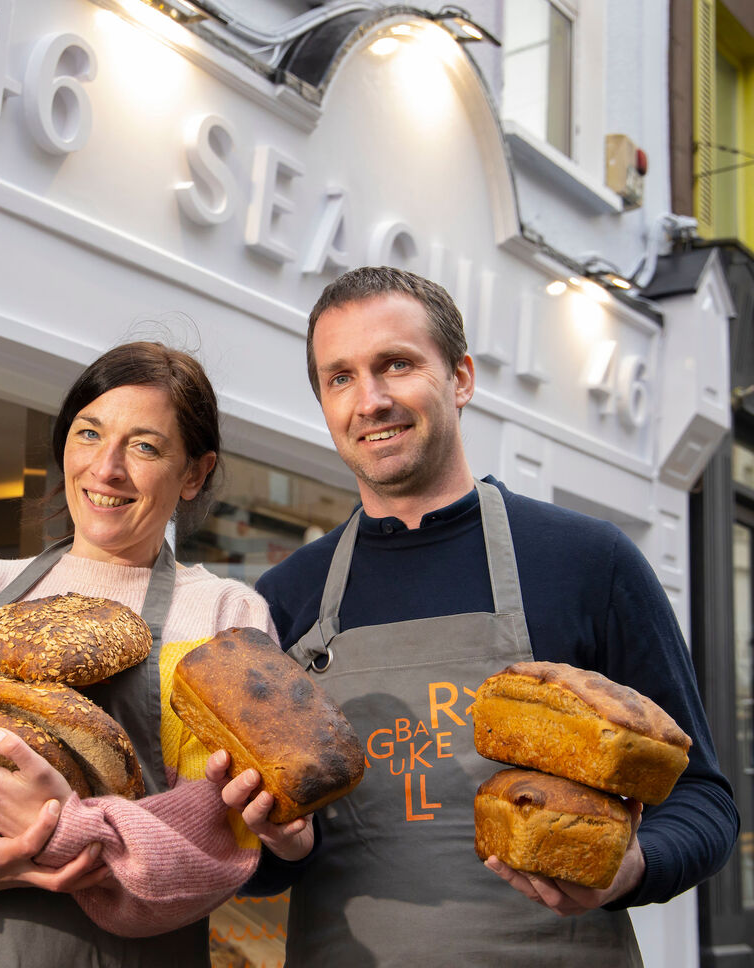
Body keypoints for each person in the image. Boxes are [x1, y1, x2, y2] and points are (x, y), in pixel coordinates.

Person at [210, 266, 739, 965]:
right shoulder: (286, 597)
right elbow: (264, 860)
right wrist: (276, 845)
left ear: (460, 378)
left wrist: (633, 867)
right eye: (340, 378)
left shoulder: (588, 561)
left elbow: (701, 796)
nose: (370, 400)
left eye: (396, 364)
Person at [0, 341, 313, 968]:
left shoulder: (225, 616)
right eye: (89, 433)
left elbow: (222, 834)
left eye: (145, 446)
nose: (106, 468)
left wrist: (63, 830)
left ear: (194, 473)